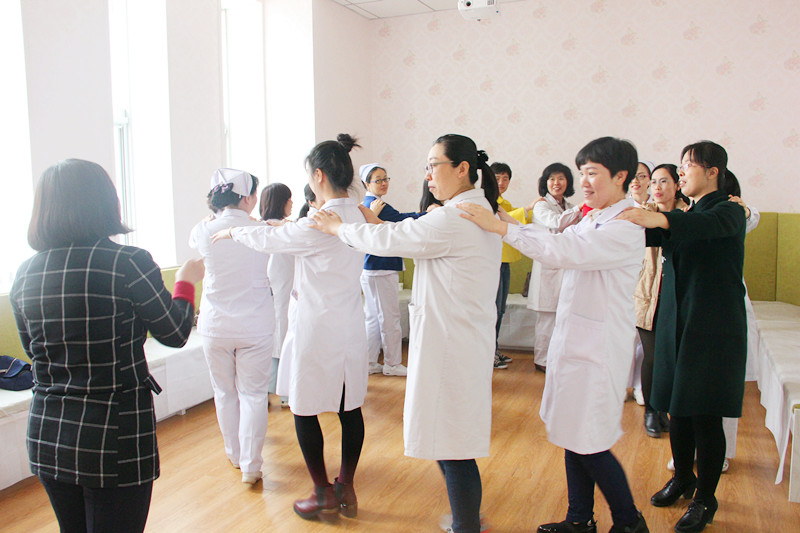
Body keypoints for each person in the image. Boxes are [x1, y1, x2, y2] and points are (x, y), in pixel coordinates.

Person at [311, 134, 501, 533]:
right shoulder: (470, 210)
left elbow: (393, 239)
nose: (428, 174)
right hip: (459, 338)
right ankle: (468, 520)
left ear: (462, 169)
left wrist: (338, 228)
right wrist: (374, 223)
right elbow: (407, 232)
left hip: (452, 344)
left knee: (453, 446)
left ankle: (467, 525)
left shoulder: (454, 217)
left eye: (434, 165)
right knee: (450, 440)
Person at [459, 137, 649, 533]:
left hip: (598, 350)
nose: (584, 182)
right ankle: (579, 519)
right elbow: (561, 240)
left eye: (592, 173)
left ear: (621, 176)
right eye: (582, 173)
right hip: (576, 343)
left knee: (590, 443)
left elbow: (564, 252)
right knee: (571, 433)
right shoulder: (595, 217)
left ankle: (630, 523)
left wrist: (500, 228)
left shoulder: (625, 225)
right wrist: (509, 222)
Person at [10, 159, 203, 533]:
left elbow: (33, 350)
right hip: (114, 433)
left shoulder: (26, 273)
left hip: (49, 430)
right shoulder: (128, 263)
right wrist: (185, 282)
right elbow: (175, 332)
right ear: (104, 202)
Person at [211, 134, 368, 523]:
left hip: (316, 326)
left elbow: (272, 239)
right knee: (350, 407)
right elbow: (283, 232)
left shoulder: (319, 222)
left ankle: (322, 492)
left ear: (318, 176)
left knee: (303, 407)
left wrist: (233, 230)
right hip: (350, 322)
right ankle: (346, 486)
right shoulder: (359, 215)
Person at [618, 141, 746, 533]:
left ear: (712, 171)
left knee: (704, 412)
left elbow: (697, 228)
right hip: (678, 321)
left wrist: (657, 218)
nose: (682, 171)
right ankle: (684, 478)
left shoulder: (729, 210)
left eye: (688, 165)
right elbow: (654, 237)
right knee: (678, 405)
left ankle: (706, 498)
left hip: (712, 327)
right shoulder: (685, 214)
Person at [189, 169, 275, 484]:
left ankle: (234, 455)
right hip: (255, 324)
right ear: (246, 198)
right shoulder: (261, 230)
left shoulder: (203, 229)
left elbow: (194, 241)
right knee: (253, 394)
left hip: (215, 325)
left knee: (224, 392)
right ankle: (252, 466)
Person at [633, 164, 689, 439]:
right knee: (653, 357)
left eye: (664, 181)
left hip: (678, 297)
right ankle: (651, 411)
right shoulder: (644, 214)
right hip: (648, 294)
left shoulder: (689, 215)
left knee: (673, 358)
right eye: (653, 181)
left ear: (677, 185)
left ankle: (667, 410)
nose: (657, 187)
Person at [359, 163, 425, 377]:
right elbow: (402, 220)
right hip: (381, 268)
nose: (384, 183)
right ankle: (392, 363)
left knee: (373, 318)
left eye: (386, 178)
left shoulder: (369, 204)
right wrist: (427, 213)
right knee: (390, 318)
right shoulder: (375, 204)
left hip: (372, 268)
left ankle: (370, 362)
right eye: (378, 180)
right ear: (366, 183)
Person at [527, 162, 582, 372]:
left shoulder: (569, 206)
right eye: (552, 179)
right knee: (547, 319)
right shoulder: (542, 205)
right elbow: (557, 223)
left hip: (567, 267)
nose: (556, 183)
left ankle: (558, 358)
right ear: (545, 182)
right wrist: (580, 208)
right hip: (548, 269)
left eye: (561, 178)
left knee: (564, 317)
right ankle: (542, 360)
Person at [491, 162, 536, 369]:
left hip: (504, 261)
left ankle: (494, 348)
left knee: (500, 309)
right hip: (493, 261)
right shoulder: (489, 201)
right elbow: (507, 220)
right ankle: (488, 351)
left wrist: (529, 211)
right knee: (493, 309)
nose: (501, 182)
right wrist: (527, 209)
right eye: (497, 178)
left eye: (505, 178)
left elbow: (516, 219)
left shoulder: (504, 202)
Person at [260, 183, 294, 407]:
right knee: (282, 338)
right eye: (289, 199)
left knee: (274, 341)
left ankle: (267, 392)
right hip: (281, 292)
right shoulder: (283, 231)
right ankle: (284, 392)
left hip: (273, 294)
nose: (292, 203)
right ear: (281, 202)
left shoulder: (261, 228)